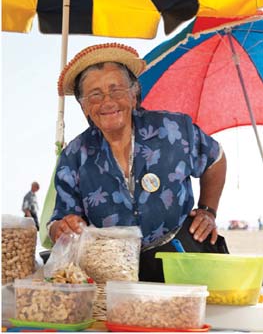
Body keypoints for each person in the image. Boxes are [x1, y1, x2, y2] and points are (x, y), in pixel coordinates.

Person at [48, 43, 227, 281]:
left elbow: (216, 158)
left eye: (116, 90)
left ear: (134, 95)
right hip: (115, 273)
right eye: (95, 94)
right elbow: (60, 220)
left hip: (184, 256)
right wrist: (61, 228)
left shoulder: (172, 129)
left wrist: (208, 210)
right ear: (84, 107)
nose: (107, 101)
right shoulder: (74, 155)